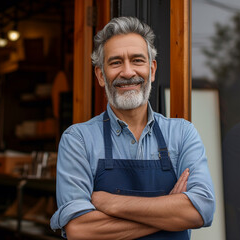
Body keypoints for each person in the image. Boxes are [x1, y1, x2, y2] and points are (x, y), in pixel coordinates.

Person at [50, 16, 215, 240]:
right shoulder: (78, 140)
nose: (127, 72)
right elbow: (80, 230)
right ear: (100, 75)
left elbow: (201, 210)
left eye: (137, 60)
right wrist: (170, 214)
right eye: (116, 62)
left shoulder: (182, 134)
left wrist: (110, 203)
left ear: (152, 69)